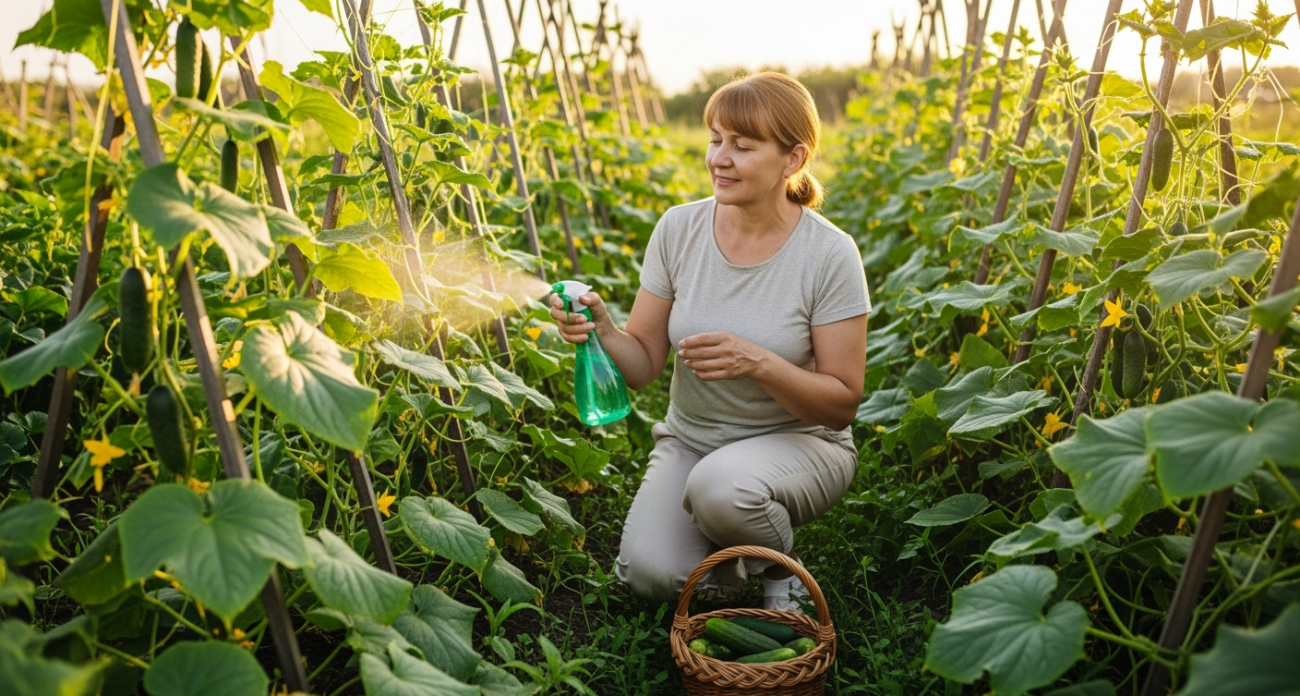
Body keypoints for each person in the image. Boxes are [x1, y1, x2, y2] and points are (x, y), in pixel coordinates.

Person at [549, 71, 870, 610]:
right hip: (693, 442)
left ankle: (779, 570)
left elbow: (841, 405)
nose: (719, 158)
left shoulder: (829, 254)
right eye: (716, 139)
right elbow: (644, 365)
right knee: (650, 577)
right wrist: (603, 329)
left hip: (802, 444)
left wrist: (758, 362)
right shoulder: (679, 230)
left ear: (792, 159)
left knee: (722, 489)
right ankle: (729, 542)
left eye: (742, 146)